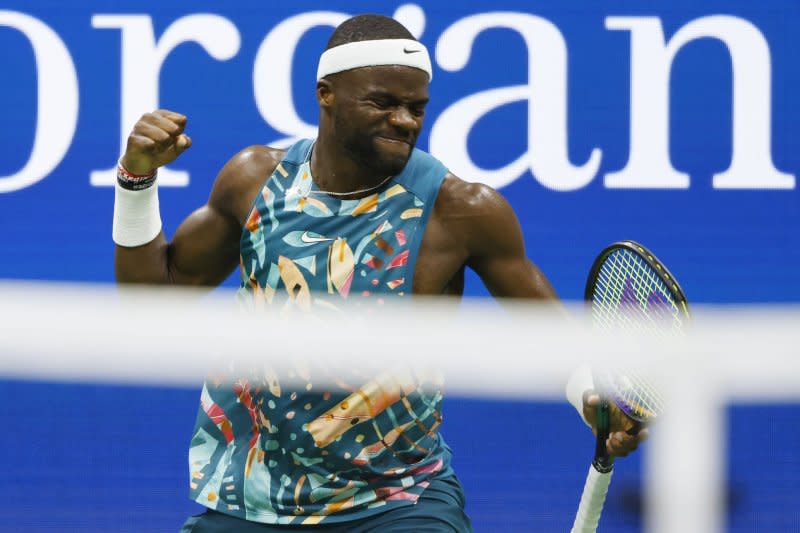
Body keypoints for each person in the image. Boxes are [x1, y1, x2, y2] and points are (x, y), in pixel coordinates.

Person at [113, 14, 645, 532]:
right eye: (383, 103)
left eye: (416, 107)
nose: (405, 121)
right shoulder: (254, 180)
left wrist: (590, 398)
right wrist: (136, 178)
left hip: (397, 502)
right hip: (251, 497)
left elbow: (548, 335)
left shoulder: (461, 211)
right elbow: (151, 304)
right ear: (326, 94)